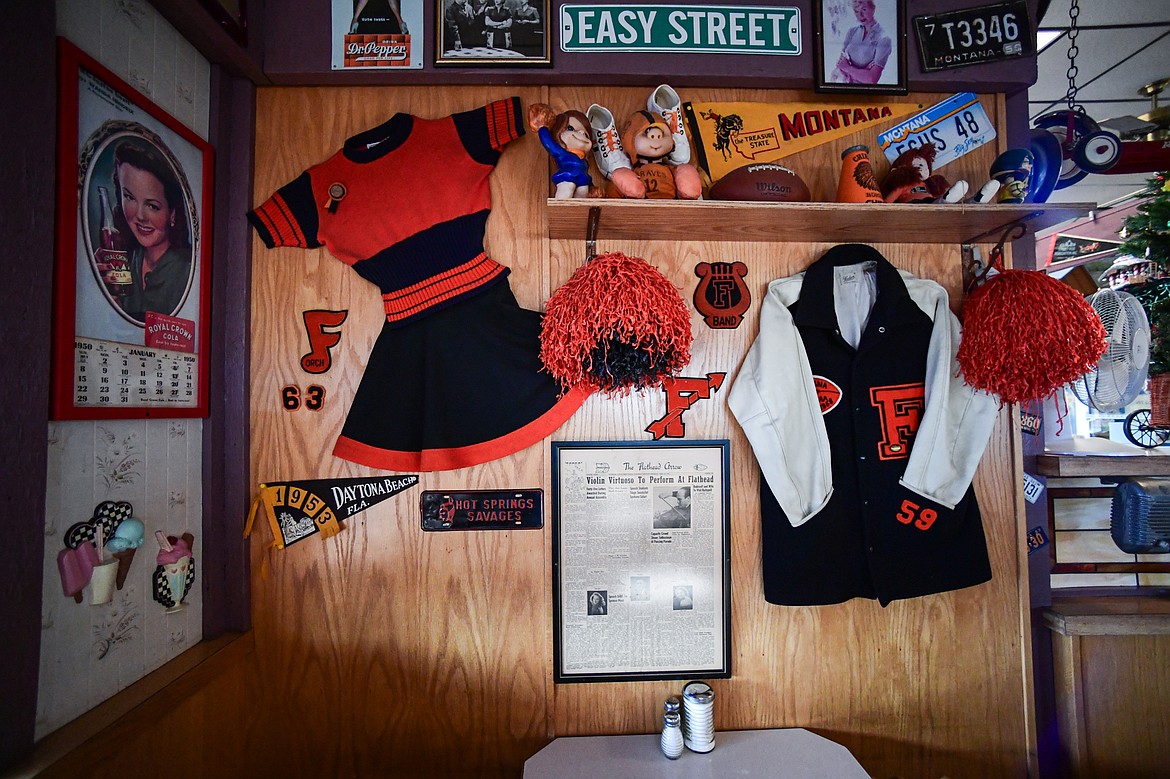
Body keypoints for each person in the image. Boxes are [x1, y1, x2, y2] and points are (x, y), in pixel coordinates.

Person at [112, 139, 192, 321]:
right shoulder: (124, 259)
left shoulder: (186, 271)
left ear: (172, 214)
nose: (140, 215)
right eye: (129, 197)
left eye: (153, 206)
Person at [831, 0, 891, 85]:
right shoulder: (852, 32)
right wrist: (862, 73)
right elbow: (840, 64)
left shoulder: (884, 38)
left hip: (865, 93)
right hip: (843, 85)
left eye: (864, 10)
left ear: (873, 8)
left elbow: (871, 79)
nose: (860, 15)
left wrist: (848, 68)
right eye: (856, 11)